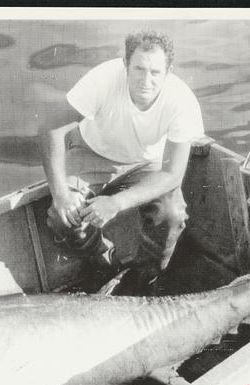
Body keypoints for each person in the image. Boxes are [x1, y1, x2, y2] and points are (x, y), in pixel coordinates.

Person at [38, 30, 204, 290]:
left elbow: (172, 175)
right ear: (125, 64)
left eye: (155, 72)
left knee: (172, 215)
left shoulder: (182, 101)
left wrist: (116, 203)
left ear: (168, 71)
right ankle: (103, 262)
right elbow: (50, 128)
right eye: (138, 69)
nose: (146, 81)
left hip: (147, 163)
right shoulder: (102, 79)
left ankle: (146, 276)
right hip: (93, 153)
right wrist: (60, 193)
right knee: (64, 218)